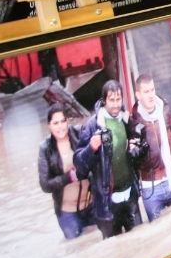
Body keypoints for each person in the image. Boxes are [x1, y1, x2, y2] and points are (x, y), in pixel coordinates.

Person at [74, 80, 140, 239]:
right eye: (112, 100)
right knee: (115, 253)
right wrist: (91, 148)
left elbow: (137, 148)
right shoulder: (92, 125)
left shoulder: (126, 120)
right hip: (107, 204)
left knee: (141, 240)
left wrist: (136, 148)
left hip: (130, 195)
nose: (116, 105)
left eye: (119, 99)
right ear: (104, 101)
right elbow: (79, 167)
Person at [129, 74, 171, 222]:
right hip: (151, 190)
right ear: (138, 95)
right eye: (146, 92)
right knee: (160, 232)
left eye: (152, 90)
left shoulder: (164, 109)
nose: (151, 95)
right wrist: (134, 152)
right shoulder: (133, 121)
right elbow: (133, 157)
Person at [37, 105, 92, 240]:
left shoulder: (80, 134)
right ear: (49, 126)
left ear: (67, 121)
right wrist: (69, 177)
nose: (60, 126)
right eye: (55, 123)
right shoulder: (45, 149)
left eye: (63, 121)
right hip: (67, 212)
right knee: (77, 248)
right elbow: (45, 185)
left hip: (91, 206)